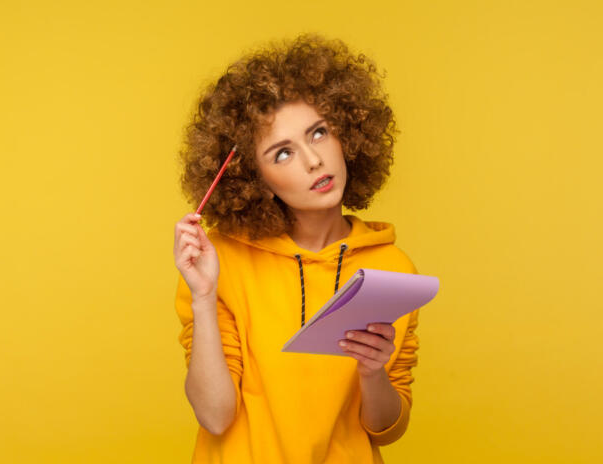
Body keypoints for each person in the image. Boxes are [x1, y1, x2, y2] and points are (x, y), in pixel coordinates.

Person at [173, 33, 421, 463]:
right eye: (282, 153)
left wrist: (372, 370)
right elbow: (215, 417)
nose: (313, 161)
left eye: (319, 133)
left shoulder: (392, 268)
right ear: (256, 180)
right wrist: (203, 297)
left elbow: (386, 428)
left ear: (347, 135)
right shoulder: (221, 263)